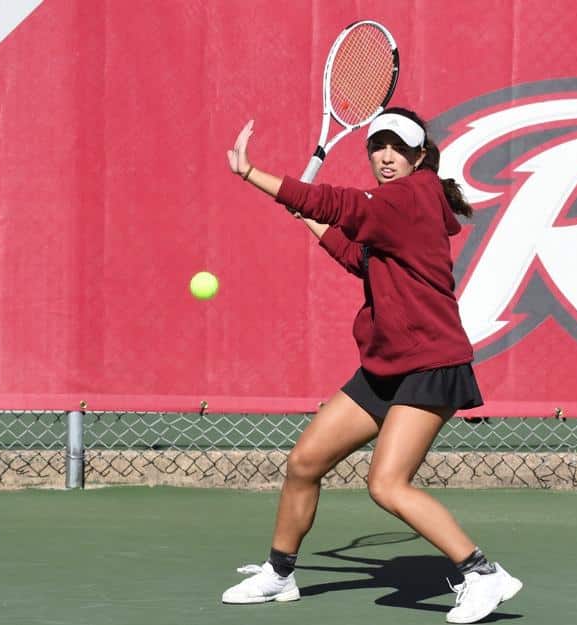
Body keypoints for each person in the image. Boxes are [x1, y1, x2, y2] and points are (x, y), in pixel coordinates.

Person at [220, 107, 522, 624]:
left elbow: (333, 202)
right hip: (387, 364)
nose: (386, 157)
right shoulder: (395, 208)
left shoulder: (411, 196)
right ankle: (279, 574)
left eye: (398, 149)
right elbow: (358, 257)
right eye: (377, 147)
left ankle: (483, 574)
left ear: (420, 157)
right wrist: (310, 216)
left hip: (430, 363)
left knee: (386, 484)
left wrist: (254, 176)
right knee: (305, 463)